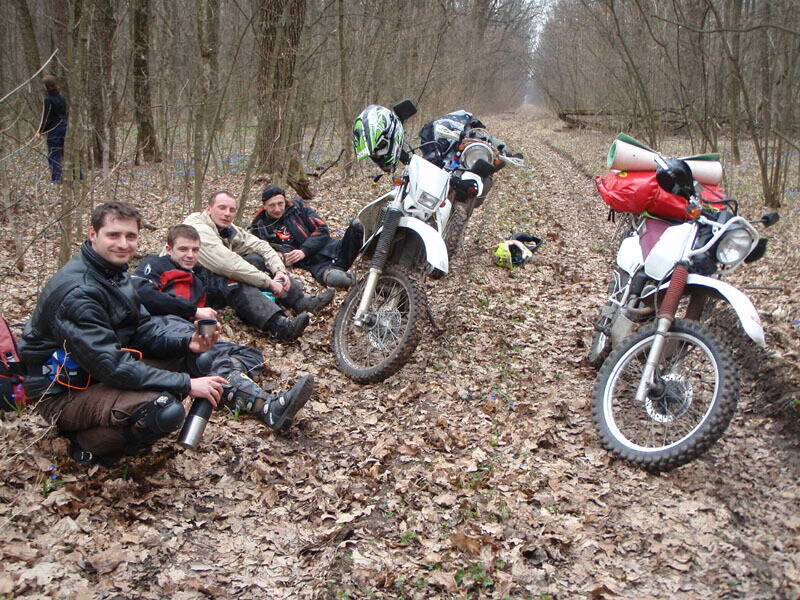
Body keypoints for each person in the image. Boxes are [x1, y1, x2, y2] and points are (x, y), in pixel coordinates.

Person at [19, 202, 313, 467]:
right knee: (164, 410)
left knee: (201, 357)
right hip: (65, 394)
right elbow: (111, 366)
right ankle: (86, 445)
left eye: (130, 236)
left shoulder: (114, 273)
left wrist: (188, 342)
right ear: (93, 235)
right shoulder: (79, 292)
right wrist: (186, 384)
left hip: (98, 373)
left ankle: (266, 407)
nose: (123, 244)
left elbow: (143, 329)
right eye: (113, 235)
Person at [132, 224, 311, 425]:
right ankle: (266, 407)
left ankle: (226, 378)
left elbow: (220, 291)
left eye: (195, 250)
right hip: (160, 327)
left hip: (191, 333)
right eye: (183, 249)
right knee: (210, 357)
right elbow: (141, 293)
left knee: (251, 355)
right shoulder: (156, 264)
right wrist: (193, 311)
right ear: (168, 249)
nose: (190, 255)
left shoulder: (198, 277)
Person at [183, 191, 334, 341]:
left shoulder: (226, 228)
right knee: (235, 280)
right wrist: (268, 282)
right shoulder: (197, 229)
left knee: (256, 259)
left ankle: (300, 301)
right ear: (208, 208)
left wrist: (279, 271)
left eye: (232, 210)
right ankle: (279, 326)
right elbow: (228, 265)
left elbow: (261, 246)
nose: (227, 213)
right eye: (222, 208)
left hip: (212, 277)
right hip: (193, 290)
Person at [250, 185, 363, 289]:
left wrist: (304, 251)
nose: (277, 209)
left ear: (285, 201)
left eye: (280, 203)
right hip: (316, 264)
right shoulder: (259, 228)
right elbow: (264, 251)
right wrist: (281, 256)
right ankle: (358, 283)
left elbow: (322, 229)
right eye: (272, 205)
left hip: (335, 248)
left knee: (357, 225)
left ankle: (369, 259)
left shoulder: (298, 208)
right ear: (264, 206)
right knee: (336, 279)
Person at [37, 75, 68, 183]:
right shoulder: (62, 97)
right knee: (67, 153)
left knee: (54, 154)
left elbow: (46, 117)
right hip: (65, 127)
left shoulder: (48, 100)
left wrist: (41, 131)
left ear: (47, 86)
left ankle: (56, 179)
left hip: (54, 130)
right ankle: (78, 176)